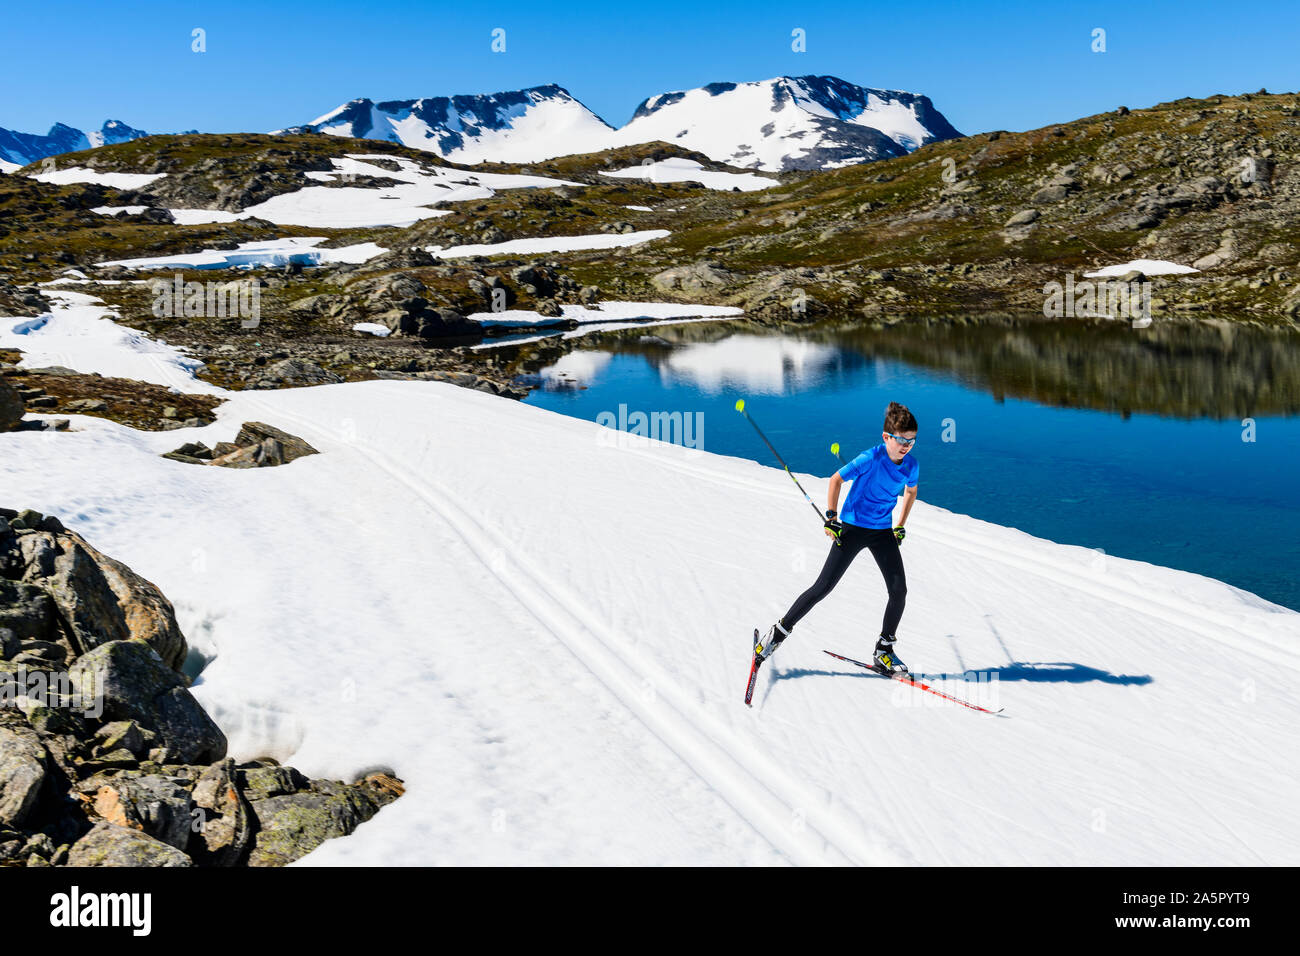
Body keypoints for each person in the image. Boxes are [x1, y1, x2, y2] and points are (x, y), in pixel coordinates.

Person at [754, 401, 919, 674]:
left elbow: (910, 493)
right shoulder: (871, 458)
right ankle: (776, 635)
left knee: (899, 590)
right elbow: (835, 480)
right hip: (853, 528)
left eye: (911, 441)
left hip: (882, 532)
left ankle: (884, 650)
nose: (906, 446)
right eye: (901, 440)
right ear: (886, 437)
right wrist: (832, 518)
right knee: (824, 586)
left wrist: (900, 524)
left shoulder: (911, 465)